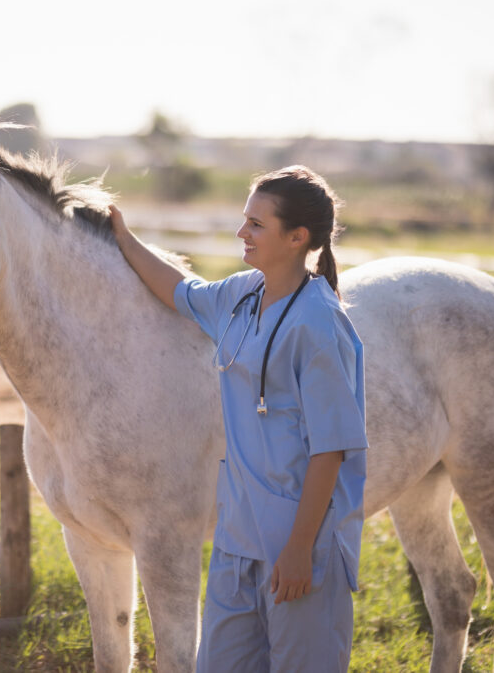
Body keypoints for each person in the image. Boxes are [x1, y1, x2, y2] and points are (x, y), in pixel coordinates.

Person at [109, 165, 367, 672]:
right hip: (236, 537)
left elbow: (331, 449)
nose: (240, 232)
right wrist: (124, 237)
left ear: (297, 238)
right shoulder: (242, 295)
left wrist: (297, 551)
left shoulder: (318, 321)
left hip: (299, 541)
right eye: (244, 220)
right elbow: (180, 291)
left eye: (256, 224)